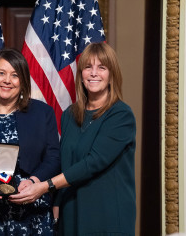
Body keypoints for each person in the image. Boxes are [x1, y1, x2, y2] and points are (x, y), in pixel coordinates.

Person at [9, 42, 136, 235]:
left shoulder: (121, 115)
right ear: (81, 74)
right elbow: (65, 162)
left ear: (112, 75)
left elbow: (93, 162)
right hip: (72, 209)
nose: (94, 73)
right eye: (88, 67)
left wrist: (46, 186)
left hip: (107, 212)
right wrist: (52, 199)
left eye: (101, 67)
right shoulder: (70, 114)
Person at [0, 48, 61, 235]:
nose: (7, 80)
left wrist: (34, 181)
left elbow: (54, 158)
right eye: (1, 73)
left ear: (23, 82)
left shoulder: (42, 113)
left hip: (34, 216)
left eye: (15, 75)